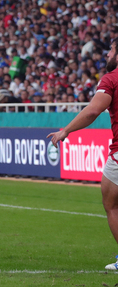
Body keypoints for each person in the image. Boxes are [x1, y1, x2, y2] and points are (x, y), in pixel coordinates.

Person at [49, 38, 118, 271]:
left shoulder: (111, 79)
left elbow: (93, 110)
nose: (107, 55)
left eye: (111, 50)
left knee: (112, 206)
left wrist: (65, 131)